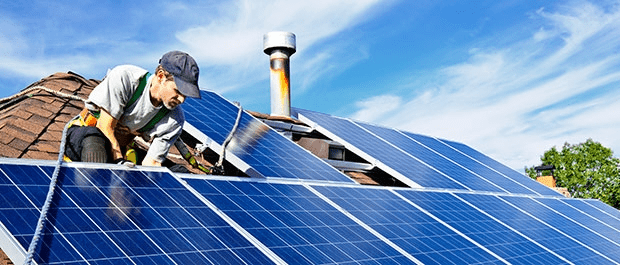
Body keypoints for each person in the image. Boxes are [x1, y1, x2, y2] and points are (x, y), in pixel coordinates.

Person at [64, 51, 201, 167]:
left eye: (186, 95)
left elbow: (152, 163)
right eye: (178, 91)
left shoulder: (174, 120)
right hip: (85, 137)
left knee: (175, 173)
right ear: (160, 76)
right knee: (94, 142)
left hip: (122, 149)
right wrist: (119, 163)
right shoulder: (126, 78)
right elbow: (104, 127)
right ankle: (93, 194)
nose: (182, 100)